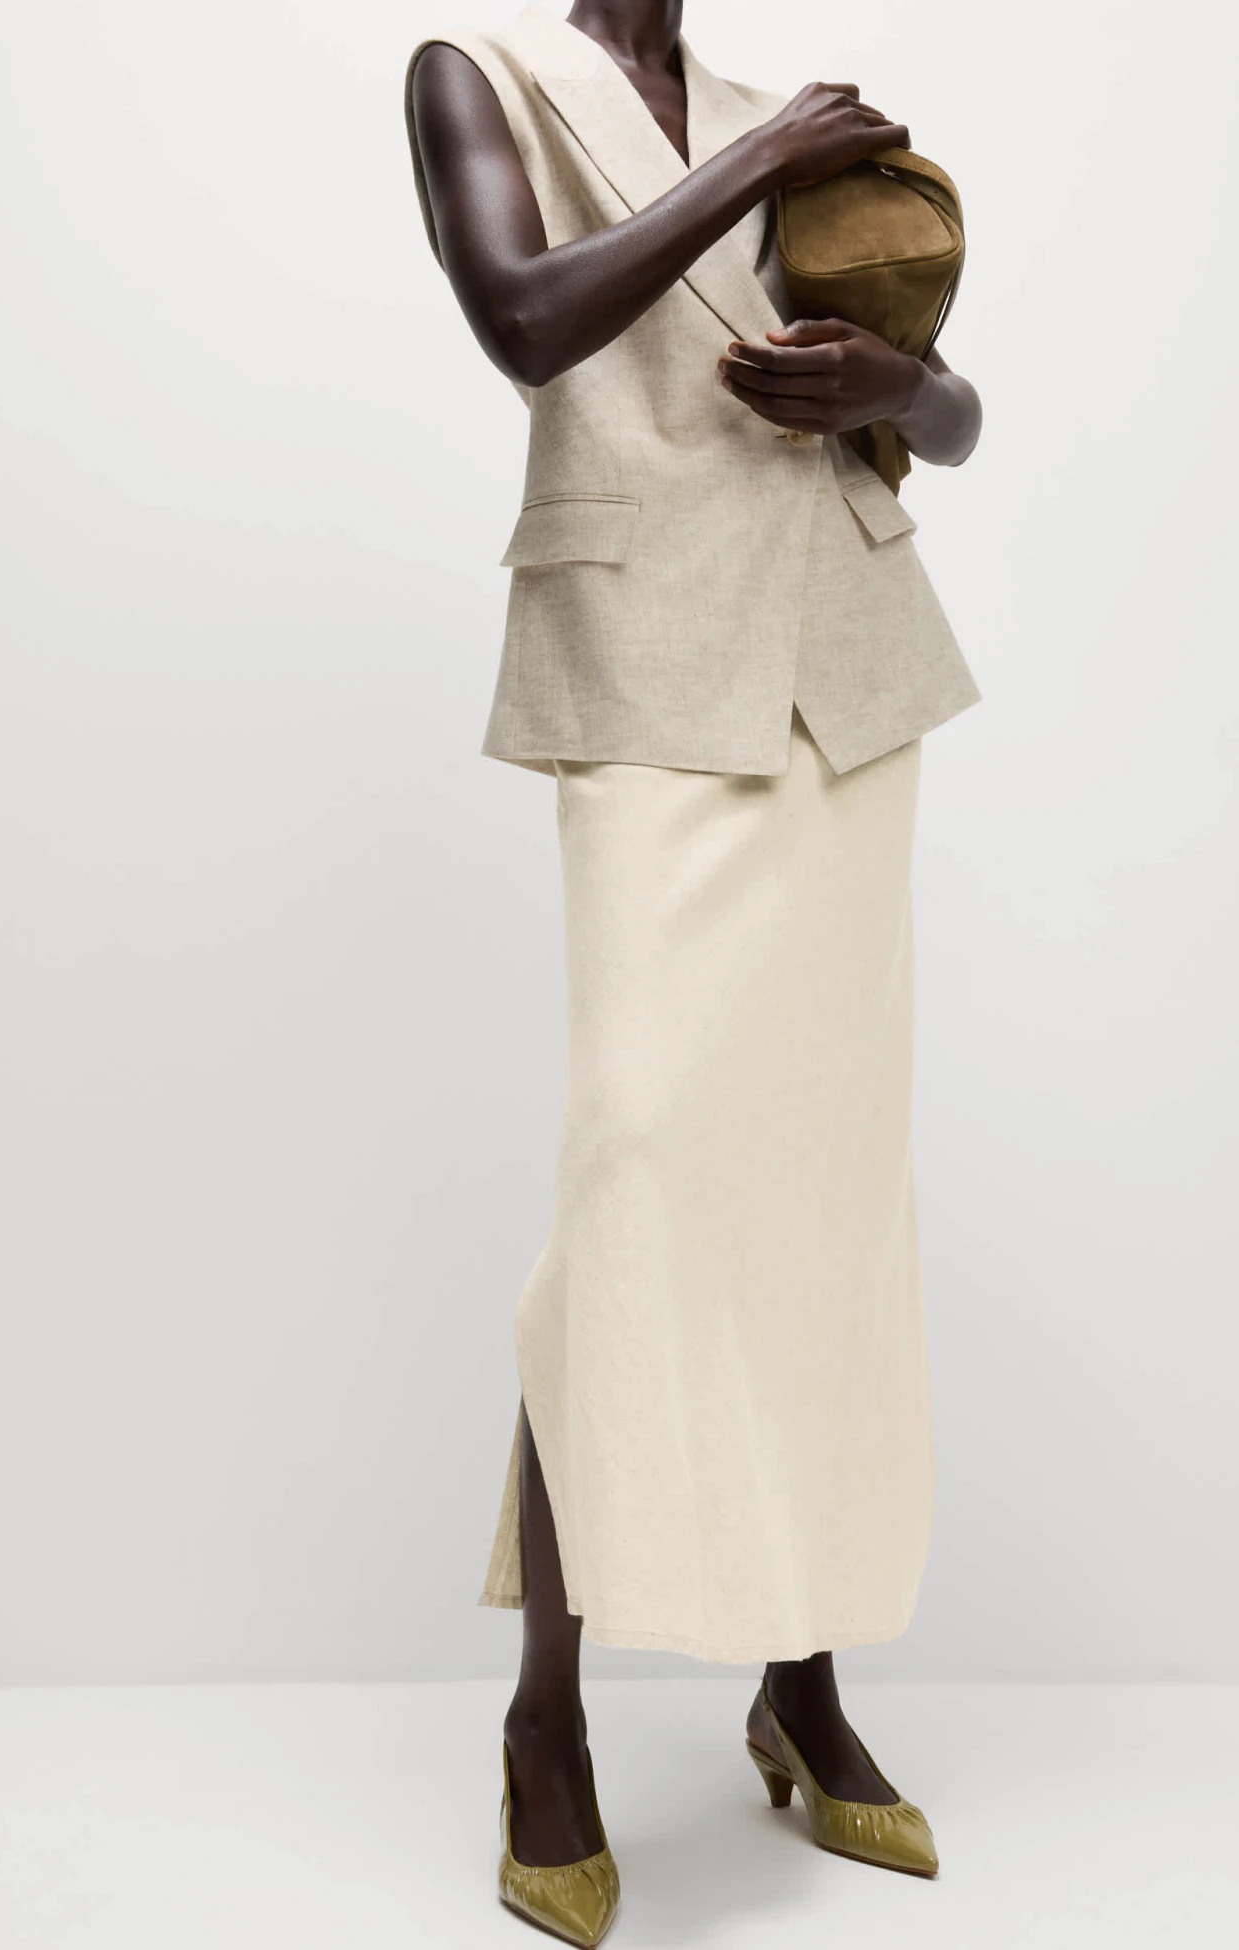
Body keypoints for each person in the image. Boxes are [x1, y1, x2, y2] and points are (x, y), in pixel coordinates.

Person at [405, 4, 982, 1941]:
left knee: (815, 1192)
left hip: (847, 673)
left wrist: (893, 381)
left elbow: (958, 420)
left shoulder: (786, 110)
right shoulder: (482, 74)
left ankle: (801, 1683)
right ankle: (546, 1720)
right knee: (638, 1174)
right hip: (648, 675)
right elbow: (522, 322)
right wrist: (754, 166)